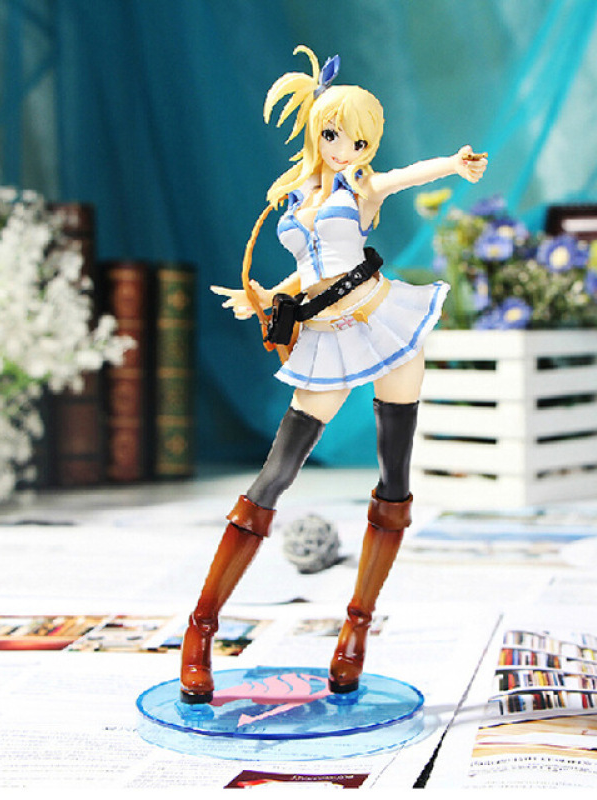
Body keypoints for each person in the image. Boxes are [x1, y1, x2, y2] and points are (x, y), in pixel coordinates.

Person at [181, 46, 487, 703]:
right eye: (333, 135)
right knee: (274, 476)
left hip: (384, 324)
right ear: (315, 132)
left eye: (359, 141)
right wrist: (267, 297)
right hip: (327, 341)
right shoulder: (296, 196)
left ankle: (356, 629)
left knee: (394, 480)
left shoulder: (360, 189)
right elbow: (310, 273)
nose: (345, 149)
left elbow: (405, 176)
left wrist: (453, 165)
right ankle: (200, 627)